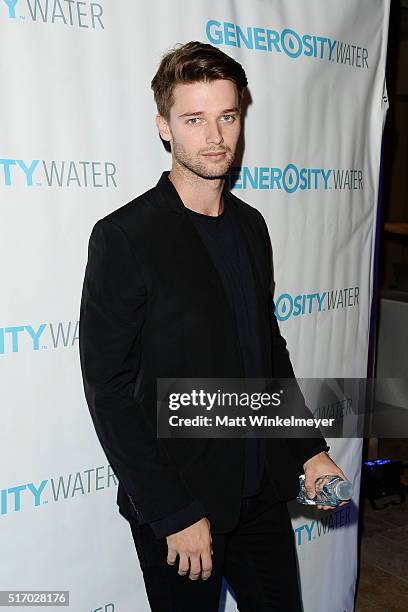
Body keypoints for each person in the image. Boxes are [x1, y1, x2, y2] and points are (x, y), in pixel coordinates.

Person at [79, 41, 349, 612]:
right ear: (164, 127)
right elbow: (108, 391)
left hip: (261, 495)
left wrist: (308, 449)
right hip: (182, 504)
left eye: (227, 116)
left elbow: (267, 350)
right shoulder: (125, 237)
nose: (215, 137)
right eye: (194, 119)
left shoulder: (250, 225)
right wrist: (173, 513)